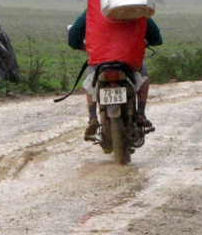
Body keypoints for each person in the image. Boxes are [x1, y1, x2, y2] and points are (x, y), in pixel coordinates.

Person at [68, 10, 161, 139]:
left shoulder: (94, 9)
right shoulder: (134, 9)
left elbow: (74, 35)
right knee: (143, 76)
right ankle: (140, 113)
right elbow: (155, 36)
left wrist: (80, 45)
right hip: (128, 60)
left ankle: (93, 117)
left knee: (90, 78)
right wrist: (147, 41)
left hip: (100, 62)